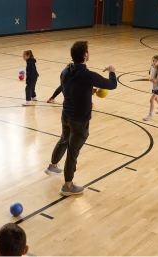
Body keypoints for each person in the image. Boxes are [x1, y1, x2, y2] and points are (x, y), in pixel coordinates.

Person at [44, 41, 117, 196]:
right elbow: (112, 84)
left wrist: (86, 92)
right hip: (79, 119)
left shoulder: (65, 71)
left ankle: (53, 166)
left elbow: (66, 89)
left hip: (66, 114)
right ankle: (68, 186)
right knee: (72, 151)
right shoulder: (88, 75)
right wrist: (111, 71)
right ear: (85, 55)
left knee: (64, 139)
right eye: (88, 51)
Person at [143, 55, 158, 121]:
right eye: (153, 60)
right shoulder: (151, 66)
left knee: (151, 99)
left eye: (156, 61)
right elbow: (151, 74)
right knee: (156, 98)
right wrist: (150, 78)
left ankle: (150, 115)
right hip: (154, 86)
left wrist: (156, 80)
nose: (154, 62)